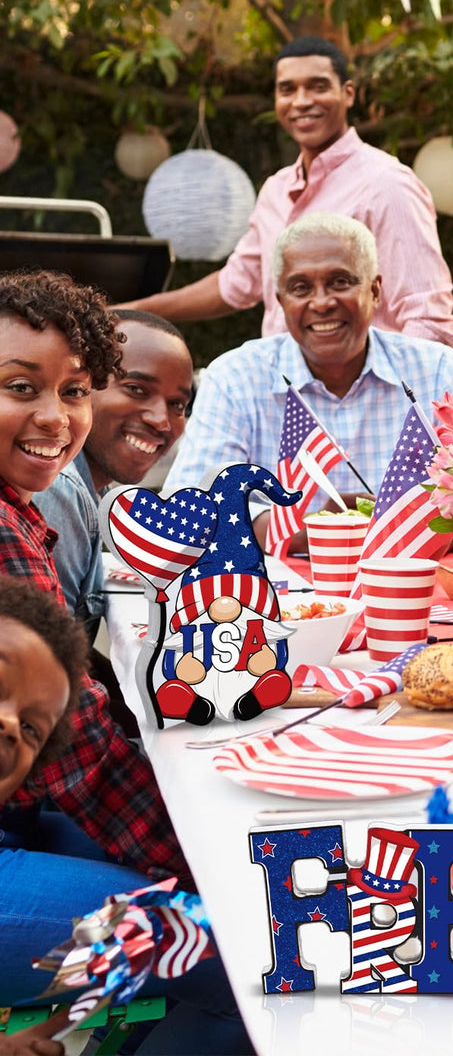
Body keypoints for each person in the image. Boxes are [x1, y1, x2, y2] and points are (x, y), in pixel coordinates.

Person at [0, 276, 249, 1051]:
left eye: (75, 391)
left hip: (22, 818)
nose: (55, 417)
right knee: (239, 946)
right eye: (19, 387)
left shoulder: (23, 511)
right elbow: (75, 758)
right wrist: (217, 865)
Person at [163, 212, 453, 550]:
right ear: (281, 302)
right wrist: (315, 531)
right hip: (277, 598)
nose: (322, 302)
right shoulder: (236, 377)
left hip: (412, 591)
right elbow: (189, 512)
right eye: (301, 288)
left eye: (340, 282)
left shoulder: (436, 370)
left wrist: (407, 524)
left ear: (374, 291)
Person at [123, 36, 453, 346]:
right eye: (287, 90)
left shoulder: (387, 185)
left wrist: (392, 404)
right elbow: (235, 285)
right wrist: (131, 313)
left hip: (363, 401)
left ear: (349, 93)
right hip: (283, 395)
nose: (301, 102)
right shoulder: (276, 190)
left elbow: (428, 319)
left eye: (318, 87)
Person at [36, 310, 194, 637]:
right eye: (137, 389)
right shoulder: (58, 489)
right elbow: (45, 672)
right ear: (78, 387)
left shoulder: (97, 490)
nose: (161, 420)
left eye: (178, 405)